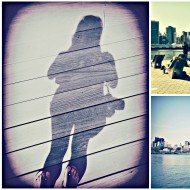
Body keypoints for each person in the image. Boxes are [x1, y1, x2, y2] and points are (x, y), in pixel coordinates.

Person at [34, 15, 124, 188]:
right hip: (89, 106)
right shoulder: (105, 57)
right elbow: (114, 83)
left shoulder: (66, 55)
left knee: (57, 147)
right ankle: (71, 176)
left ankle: (47, 178)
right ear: (99, 35)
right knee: (79, 147)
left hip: (62, 103)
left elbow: (51, 74)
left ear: (77, 33)